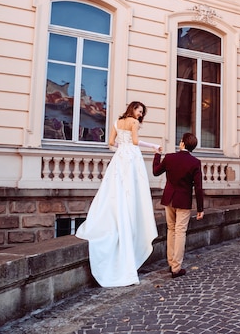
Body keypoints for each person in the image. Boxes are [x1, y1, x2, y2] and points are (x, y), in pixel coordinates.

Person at [76, 101, 160, 287]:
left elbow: (111, 143)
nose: (140, 114)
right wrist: (153, 145)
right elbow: (136, 142)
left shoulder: (116, 122)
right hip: (131, 157)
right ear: (133, 109)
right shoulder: (134, 123)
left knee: (116, 190)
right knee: (133, 191)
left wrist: (122, 148)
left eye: (141, 112)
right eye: (139, 111)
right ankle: (130, 224)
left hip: (120, 157)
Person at [153, 132, 204, 278]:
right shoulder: (195, 162)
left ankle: (171, 263)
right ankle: (176, 267)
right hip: (183, 201)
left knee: (171, 230)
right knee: (180, 231)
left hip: (169, 199)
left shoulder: (169, 157)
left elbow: (156, 172)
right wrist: (200, 208)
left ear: (182, 143)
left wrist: (157, 155)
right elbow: (198, 187)